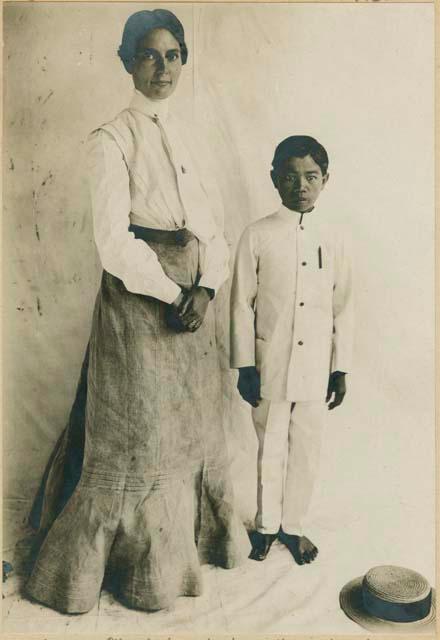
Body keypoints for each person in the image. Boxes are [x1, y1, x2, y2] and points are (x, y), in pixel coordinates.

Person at [26, 9, 249, 614]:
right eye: (148, 56)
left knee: (190, 428)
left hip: (192, 303)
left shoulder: (190, 134)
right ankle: (120, 572)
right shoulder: (111, 139)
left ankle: (183, 554)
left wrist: (205, 287)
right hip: (138, 300)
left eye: (173, 55)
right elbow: (113, 241)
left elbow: (213, 226)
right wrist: (170, 292)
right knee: (139, 432)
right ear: (126, 61)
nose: (162, 68)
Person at [230, 136, 353, 565]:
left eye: (310, 176)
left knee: (307, 448)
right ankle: (265, 527)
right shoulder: (257, 235)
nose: (300, 185)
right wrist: (246, 366)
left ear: (325, 180)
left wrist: (341, 369)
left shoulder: (335, 239)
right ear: (274, 180)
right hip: (271, 365)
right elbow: (241, 305)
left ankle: (293, 526)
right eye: (289, 177)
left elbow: (344, 307)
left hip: (316, 368)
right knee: (271, 444)